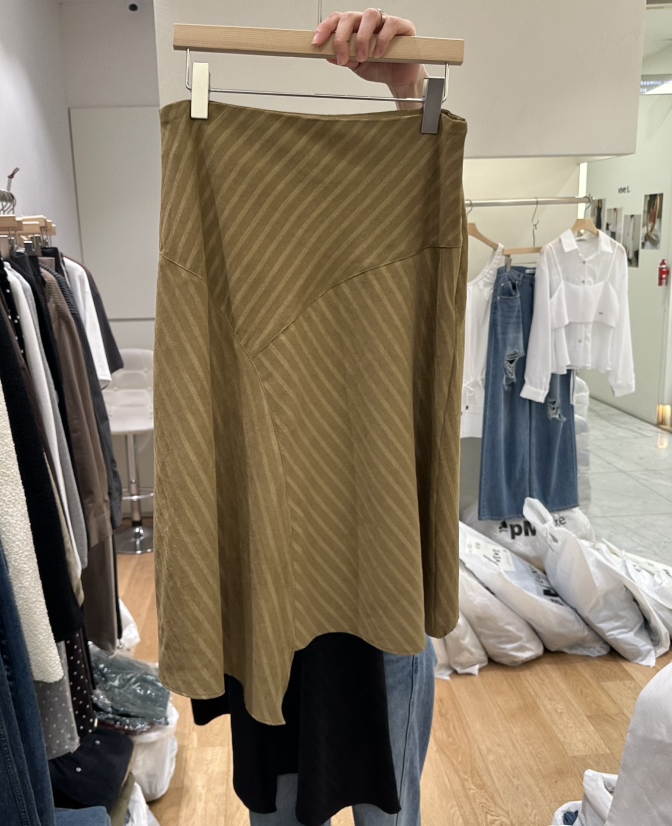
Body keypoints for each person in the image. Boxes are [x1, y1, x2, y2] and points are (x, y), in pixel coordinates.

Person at [248, 11, 437, 826]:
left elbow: (427, 207)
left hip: (378, 556)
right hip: (269, 567)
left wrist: (408, 88)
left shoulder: (404, 247)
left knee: (385, 805)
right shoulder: (223, 222)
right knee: (280, 800)